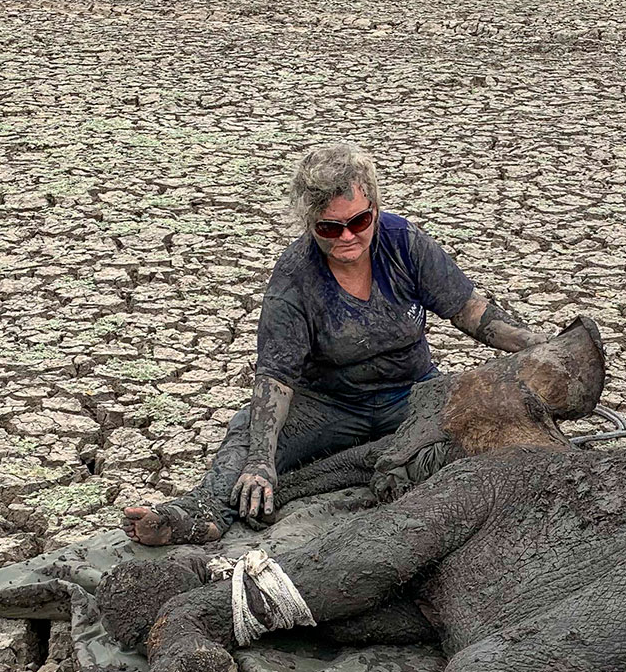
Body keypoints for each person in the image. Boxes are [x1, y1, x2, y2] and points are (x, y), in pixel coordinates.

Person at [124, 142, 544, 546]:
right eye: (330, 227)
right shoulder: (295, 276)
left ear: (374, 209)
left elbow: (471, 311)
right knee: (249, 431)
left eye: (359, 222)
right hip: (330, 405)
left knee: (488, 425)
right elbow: (275, 380)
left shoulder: (404, 243)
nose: (347, 236)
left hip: (413, 396)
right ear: (310, 225)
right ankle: (198, 514)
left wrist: (536, 345)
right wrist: (259, 462)